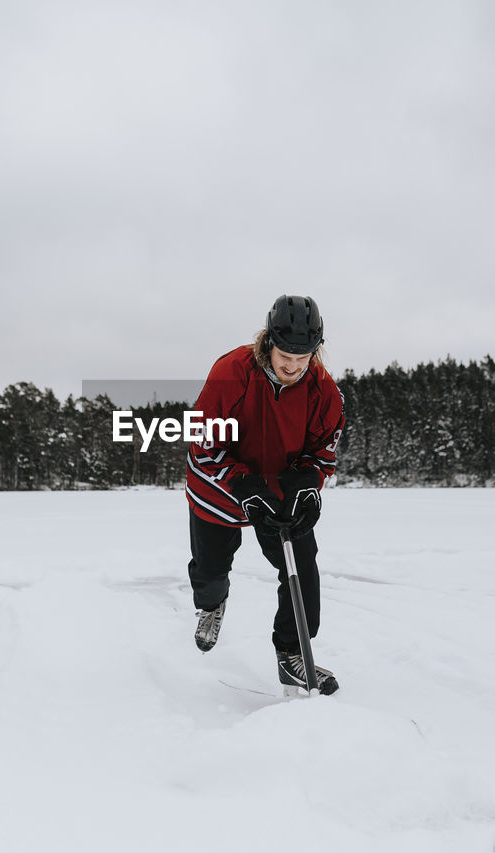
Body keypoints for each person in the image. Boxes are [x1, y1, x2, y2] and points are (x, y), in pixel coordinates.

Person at [185, 295, 345, 695]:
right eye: (285, 356)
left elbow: (323, 450)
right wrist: (241, 484)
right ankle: (211, 605)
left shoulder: (324, 391)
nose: (292, 367)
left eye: (303, 358)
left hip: (277, 491)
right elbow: (203, 443)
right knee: (209, 569)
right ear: (269, 342)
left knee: (301, 567)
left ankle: (292, 654)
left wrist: (308, 486)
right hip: (219, 488)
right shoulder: (231, 372)